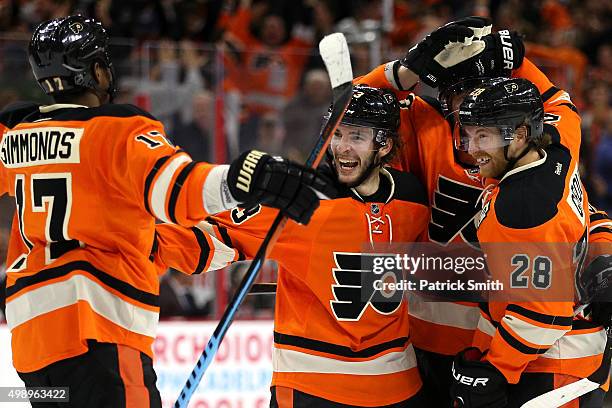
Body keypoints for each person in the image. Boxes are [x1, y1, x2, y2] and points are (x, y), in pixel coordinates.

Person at [0, 15, 332, 407]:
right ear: (95, 71)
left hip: (31, 343)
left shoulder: (14, 136)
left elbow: (159, 237)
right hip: (95, 326)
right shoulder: (116, 131)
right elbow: (181, 190)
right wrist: (242, 180)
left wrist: (228, 239)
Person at [351, 16, 582, 405]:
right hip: (435, 341)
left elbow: (548, 302)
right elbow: (347, 124)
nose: (474, 105)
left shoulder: (539, 159)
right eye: (463, 95)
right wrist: (405, 71)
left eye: (486, 90)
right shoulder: (421, 122)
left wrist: (509, 54)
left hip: (523, 350)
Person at [202, 86, 431, 406]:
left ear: (385, 146)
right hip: (315, 388)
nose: (342, 148)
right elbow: (214, 236)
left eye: (356, 137)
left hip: (397, 386)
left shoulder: (413, 199)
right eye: (337, 135)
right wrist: (140, 246)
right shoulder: (303, 198)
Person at [449, 77, 609, 407]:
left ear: (520, 135)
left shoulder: (522, 209)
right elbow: (561, 103)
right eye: (469, 135)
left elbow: (543, 314)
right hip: (577, 357)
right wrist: (509, 52)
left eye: (484, 136)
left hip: (547, 370)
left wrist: (494, 370)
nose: (473, 148)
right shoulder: (558, 147)